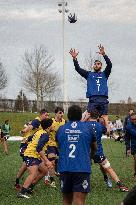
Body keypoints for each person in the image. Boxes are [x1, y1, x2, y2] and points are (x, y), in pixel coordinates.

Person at [56, 105, 97, 205]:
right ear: (80, 116)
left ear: (68, 115)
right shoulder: (88, 128)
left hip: (65, 167)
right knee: (79, 201)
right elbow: (95, 147)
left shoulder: (61, 129)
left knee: (66, 201)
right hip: (81, 167)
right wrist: (90, 157)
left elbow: (59, 146)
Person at [69, 45, 112, 133]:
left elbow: (110, 64)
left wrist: (104, 54)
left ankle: (109, 132)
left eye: (98, 64)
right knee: (88, 114)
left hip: (103, 99)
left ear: (101, 66)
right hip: (93, 99)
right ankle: (78, 128)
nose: (96, 65)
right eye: (95, 64)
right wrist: (74, 59)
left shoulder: (105, 74)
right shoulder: (88, 74)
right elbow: (78, 69)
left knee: (105, 117)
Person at [88, 110, 129, 192]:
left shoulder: (83, 125)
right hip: (97, 151)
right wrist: (106, 120)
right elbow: (108, 132)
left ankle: (78, 184)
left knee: (84, 168)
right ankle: (120, 185)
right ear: (98, 117)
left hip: (86, 152)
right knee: (108, 167)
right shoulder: (100, 126)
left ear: (89, 116)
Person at [18, 118, 53, 199]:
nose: (53, 126)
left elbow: (31, 137)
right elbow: (38, 148)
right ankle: (22, 193)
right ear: (48, 127)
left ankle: (30, 188)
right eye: (52, 125)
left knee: (44, 171)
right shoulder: (45, 135)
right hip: (31, 155)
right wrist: (47, 161)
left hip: (34, 155)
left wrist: (27, 139)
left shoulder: (40, 132)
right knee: (33, 174)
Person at [15, 109, 49, 190]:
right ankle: (23, 184)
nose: (47, 116)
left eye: (48, 115)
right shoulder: (37, 120)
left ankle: (27, 183)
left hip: (31, 144)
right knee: (28, 165)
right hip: (27, 145)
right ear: (41, 114)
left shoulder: (42, 124)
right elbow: (30, 127)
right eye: (46, 115)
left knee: (29, 164)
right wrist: (23, 130)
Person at [44, 107, 65, 187]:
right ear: (56, 113)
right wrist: (49, 130)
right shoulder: (51, 121)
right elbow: (44, 130)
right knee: (51, 161)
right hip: (51, 144)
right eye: (60, 113)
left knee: (62, 162)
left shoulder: (64, 122)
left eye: (62, 112)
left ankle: (59, 175)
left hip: (61, 145)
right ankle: (52, 181)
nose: (61, 114)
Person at [125, 113, 136, 179]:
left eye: (135, 119)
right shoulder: (128, 127)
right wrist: (128, 148)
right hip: (134, 146)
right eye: (132, 119)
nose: (134, 120)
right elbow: (127, 138)